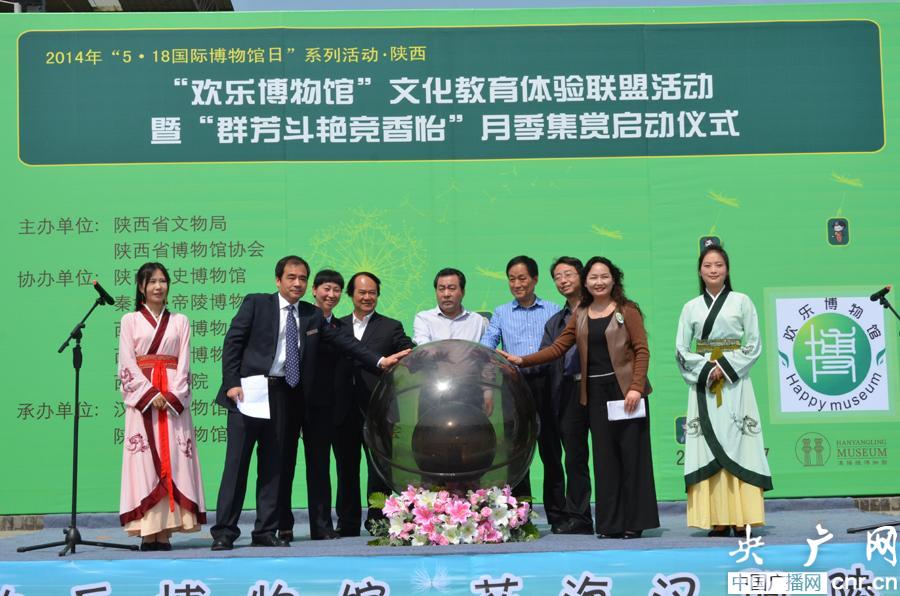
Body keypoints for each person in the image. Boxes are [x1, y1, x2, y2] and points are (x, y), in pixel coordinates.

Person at [210, 257, 409, 550]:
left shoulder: (311, 314)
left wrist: (379, 360)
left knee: (274, 466)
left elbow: (344, 342)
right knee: (237, 465)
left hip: (283, 395)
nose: (297, 283)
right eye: (291, 278)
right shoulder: (257, 303)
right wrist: (232, 383)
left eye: (302, 278)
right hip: (248, 392)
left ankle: (265, 530)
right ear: (278, 280)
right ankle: (225, 532)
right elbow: (233, 343)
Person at [502, 256, 660, 539]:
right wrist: (522, 360)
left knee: (631, 457)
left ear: (614, 279)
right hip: (595, 394)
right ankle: (611, 524)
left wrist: (636, 387)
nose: (599, 282)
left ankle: (635, 522)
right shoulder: (582, 313)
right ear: (586, 283)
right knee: (605, 460)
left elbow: (641, 350)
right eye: (593, 278)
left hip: (625, 393)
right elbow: (557, 348)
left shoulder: (627, 309)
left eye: (604, 277)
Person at [675, 246, 771, 536]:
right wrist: (707, 370)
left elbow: (753, 343)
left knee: (740, 442)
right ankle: (717, 517)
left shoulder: (742, 302)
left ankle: (742, 517)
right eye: (707, 265)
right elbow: (681, 349)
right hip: (705, 383)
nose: (713, 270)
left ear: (727, 270)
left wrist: (725, 367)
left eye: (718, 265)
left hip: (735, 382)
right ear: (699, 270)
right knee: (708, 443)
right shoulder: (690, 307)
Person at [117, 262, 206, 551]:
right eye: (152, 281)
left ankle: (165, 530)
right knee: (144, 461)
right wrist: (148, 393)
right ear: (141, 287)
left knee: (176, 459)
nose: (158, 286)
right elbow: (126, 361)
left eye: (163, 281)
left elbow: (185, 361)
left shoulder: (180, 321)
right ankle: (148, 530)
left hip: (171, 400)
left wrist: (171, 396)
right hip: (143, 400)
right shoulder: (130, 320)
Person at [480, 255, 563, 530]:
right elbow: (487, 348)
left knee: (552, 453)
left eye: (522, 278)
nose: (517, 284)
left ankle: (559, 516)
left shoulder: (553, 310)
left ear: (535, 279)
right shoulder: (501, 313)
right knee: (517, 454)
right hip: (514, 388)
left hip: (548, 385)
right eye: (512, 279)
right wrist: (487, 387)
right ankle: (518, 518)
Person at [334, 272, 415, 535]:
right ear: (351, 295)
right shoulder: (336, 326)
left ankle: (378, 521)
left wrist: (412, 353)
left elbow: (408, 351)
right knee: (346, 468)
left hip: (379, 409)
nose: (367, 297)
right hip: (343, 410)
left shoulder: (391, 326)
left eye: (372, 293)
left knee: (379, 469)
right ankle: (347, 523)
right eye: (362, 292)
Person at [277, 269, 345, 541]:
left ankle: (321, 525)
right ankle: (283, 524)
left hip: (321, 407)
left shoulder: (341, 327)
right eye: (326, 288)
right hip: (289, 399)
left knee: (319, 466)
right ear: (314, 290)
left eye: (337, 290)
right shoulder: (301, 317)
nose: (331, 294)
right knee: (283, 463)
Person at [540, 256, 592, 534]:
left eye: (568, 274)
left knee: (609, 454)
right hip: (569, 391)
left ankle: (617, 513)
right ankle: (579, 517)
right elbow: (547, 355)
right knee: (574, 457)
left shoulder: (601, 309)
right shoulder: (555, 322)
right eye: (557, 276)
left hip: (601, 388)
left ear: (582, 276)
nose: (563, 280)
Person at [413, 268, 488, 345]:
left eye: (452, 288)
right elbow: (424, 347)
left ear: (463, 292)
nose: (446, 294)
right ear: (436, 292)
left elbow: (485, 350)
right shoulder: (424, 319)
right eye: (441, 289)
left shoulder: (478, 321)